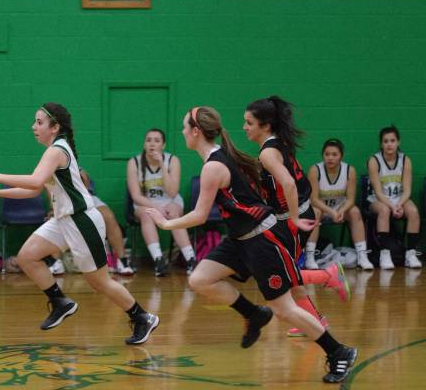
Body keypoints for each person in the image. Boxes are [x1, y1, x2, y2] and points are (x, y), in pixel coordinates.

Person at [147, 106, 357, 383]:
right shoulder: (218, 157)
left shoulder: (213, 166)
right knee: (200, 279)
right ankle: (254, 313)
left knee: (284, 308)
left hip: (261, 240)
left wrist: (165, 224)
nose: (183, 132)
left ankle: (339, 351)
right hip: (239, 239)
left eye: (185, 127)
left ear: (196, 132)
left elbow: (199, 216)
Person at [0, 102, 159, 344]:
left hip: (82, 221)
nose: (34, 126)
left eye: (39, 122)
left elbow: (34, 181)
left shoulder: (56, 150)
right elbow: (34, 190)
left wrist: (0, 177)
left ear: (54, 128)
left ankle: (142, 317)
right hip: (63, 220)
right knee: (27, 256)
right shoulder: (53, 150)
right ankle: (60, 302)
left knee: (100, 282)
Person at [243, 96, 349, 339]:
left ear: (265, 125)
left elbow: (289, 184)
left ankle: (328, 276)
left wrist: (293, 218)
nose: (245, 127)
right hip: (295, 214)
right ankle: (315, 320)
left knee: (283, 273)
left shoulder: (268, 153)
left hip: (294, 217)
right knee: (288, 275)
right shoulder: (277, 144)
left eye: (249, 123)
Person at [127, 128, 196, 276]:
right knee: (147, 215)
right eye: (149, 140)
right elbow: (135, 196)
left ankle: (191, 259)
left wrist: (162, 165)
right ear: (144, 144)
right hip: (146, 203)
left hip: (170, 201)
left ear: (163, 145)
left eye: (157, 141)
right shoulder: (134, 162)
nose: (152, 144)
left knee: (173, 213)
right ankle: (159, 260)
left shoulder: (173, 160)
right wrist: (156, 207)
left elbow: (172, 192)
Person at [307, 139, 373, 270]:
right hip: (321, 208)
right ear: (322, 155)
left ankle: (362, 256)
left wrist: (341, 210)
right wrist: (332, 212)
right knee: (314, 212)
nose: (330, 158)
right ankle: (309, 257)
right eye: (327, 154)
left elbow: (350, 199)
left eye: (334, 154)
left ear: (341, 156)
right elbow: (314, 199)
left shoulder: (349, 170)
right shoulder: (315, 170)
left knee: (354, 212)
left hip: (340, 208)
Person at [367, 125, 422, 269]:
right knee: (384, 210)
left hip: (399, 199)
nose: (389, 144)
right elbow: (378, 192)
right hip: (378, 200)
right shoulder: (374, 160)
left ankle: (411, 254)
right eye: (385, 141)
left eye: (392, 140)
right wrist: (393, 206)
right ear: (381, 144)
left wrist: (399, 204)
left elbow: (407, 189)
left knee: (414, 212)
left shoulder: (405, 160)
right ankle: (384, 255)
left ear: (398, 142)